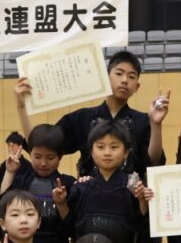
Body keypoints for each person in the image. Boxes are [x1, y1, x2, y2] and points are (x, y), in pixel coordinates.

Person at [14, 50, 169, 179]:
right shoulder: (82, 118)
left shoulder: (143, 120)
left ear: (137, 87)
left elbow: (154, 161)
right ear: (106, 78)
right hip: (88, 199)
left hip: (131, 200)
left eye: (131, 76)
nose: (124, 80)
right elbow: (41, 144)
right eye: (119, 73)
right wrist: (21, 107)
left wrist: (156, 124)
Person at [59, 120, 152, 243]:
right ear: (92, 152)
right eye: (100, 147)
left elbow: (142, 228)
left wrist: (142, 200)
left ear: (126, 152)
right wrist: (61, 204)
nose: (107, 153)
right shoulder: (80, 189)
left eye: (114, 147)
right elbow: (70, 229)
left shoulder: (134, 189)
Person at [0, 123, 76, 243]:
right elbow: (2, 204)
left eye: (50, 158)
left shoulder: (68, 183)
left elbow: (71, 228)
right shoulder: (23, 181)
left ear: (60, 157)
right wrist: (9, 172)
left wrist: (61, 204)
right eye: (37, 157)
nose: (43, 163)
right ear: (30, 154)